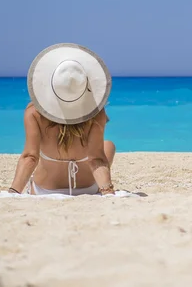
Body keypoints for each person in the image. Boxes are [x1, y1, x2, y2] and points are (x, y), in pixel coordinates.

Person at [8, 43, 116, 196]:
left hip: (45, 190)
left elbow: (30, 157)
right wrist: (107, 192)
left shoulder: (34, 112)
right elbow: (96, 159)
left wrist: (13, 192)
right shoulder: (96, 113)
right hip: (87, 189)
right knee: (108, 145)